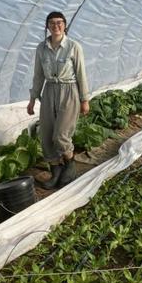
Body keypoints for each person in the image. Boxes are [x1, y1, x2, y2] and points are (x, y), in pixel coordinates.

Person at [27, 11, 90, 189]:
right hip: (49, 91)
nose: (56, 26)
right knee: (46, 135)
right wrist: (32, 99)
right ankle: (56, 172)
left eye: (60, 22)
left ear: (65, 25)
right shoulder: (41, 48)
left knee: (61, 136)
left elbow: (81, 74)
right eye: (52, 23)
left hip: (69, 90)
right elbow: (38, 75)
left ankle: (70, 166)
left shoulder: (73, 46)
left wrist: (84, 99)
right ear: (47, 26)